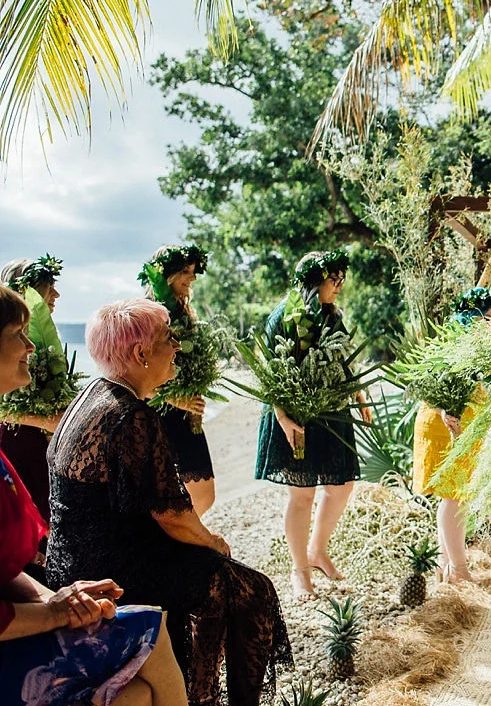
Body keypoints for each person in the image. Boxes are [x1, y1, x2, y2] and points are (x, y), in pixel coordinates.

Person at [46, 299, 291, 706]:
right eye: (168, 339)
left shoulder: (91, 394)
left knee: (215, 582)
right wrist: (213, 541)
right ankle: (211, 697)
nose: (177, 347)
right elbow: (173, 515)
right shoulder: (130, 416)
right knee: (249, 589)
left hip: (72, 561)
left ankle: (199, 689)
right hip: (111, 568)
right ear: (141, 353)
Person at [0, 285, 190, 706]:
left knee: (136, 695)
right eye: (18, 333)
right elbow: (172, 512)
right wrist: (54, 613)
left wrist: (57, 597)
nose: (31, 345)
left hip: (37, 598)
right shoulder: (128, 412)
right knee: (151, 627)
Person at [255, 250, 369, 601]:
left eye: (340, 280)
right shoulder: (283, 317)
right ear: (313, 281)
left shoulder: (334, 316)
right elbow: (269, 375)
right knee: (302, 495)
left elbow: (345, 362)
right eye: (333, 280)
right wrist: (285, 417)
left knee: (342, 486)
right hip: (294, 415)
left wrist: (361, 398)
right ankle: (299, 570)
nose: (339, 287)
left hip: (332, 412)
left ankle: (317, 551)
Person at [412, 287, 491, 584]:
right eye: (490, 317)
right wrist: (446, 411)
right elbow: (431, 383)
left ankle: (446, 567)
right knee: (454, 497)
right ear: (474, 318)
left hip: (461, 423)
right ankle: (459, 570)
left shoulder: (474, 345)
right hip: (445, 424)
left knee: (456, 497)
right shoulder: (455, 345)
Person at [140, 244, 216, 515]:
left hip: (185, 418)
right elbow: (137, 377)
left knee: (203, 496)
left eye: (194, 271)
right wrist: (176, 398)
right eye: (185, 271)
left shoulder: (184, 313)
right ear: (167, 274)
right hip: (160, 417)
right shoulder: (148, 315)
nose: (192, 278)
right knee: (187, 499)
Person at [0, 255, 68, 526]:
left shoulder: (43, 339)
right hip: (17, 444)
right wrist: (49, 421)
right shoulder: (7, 345)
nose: (56, 294)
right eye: (48, 286)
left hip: (44, 446)